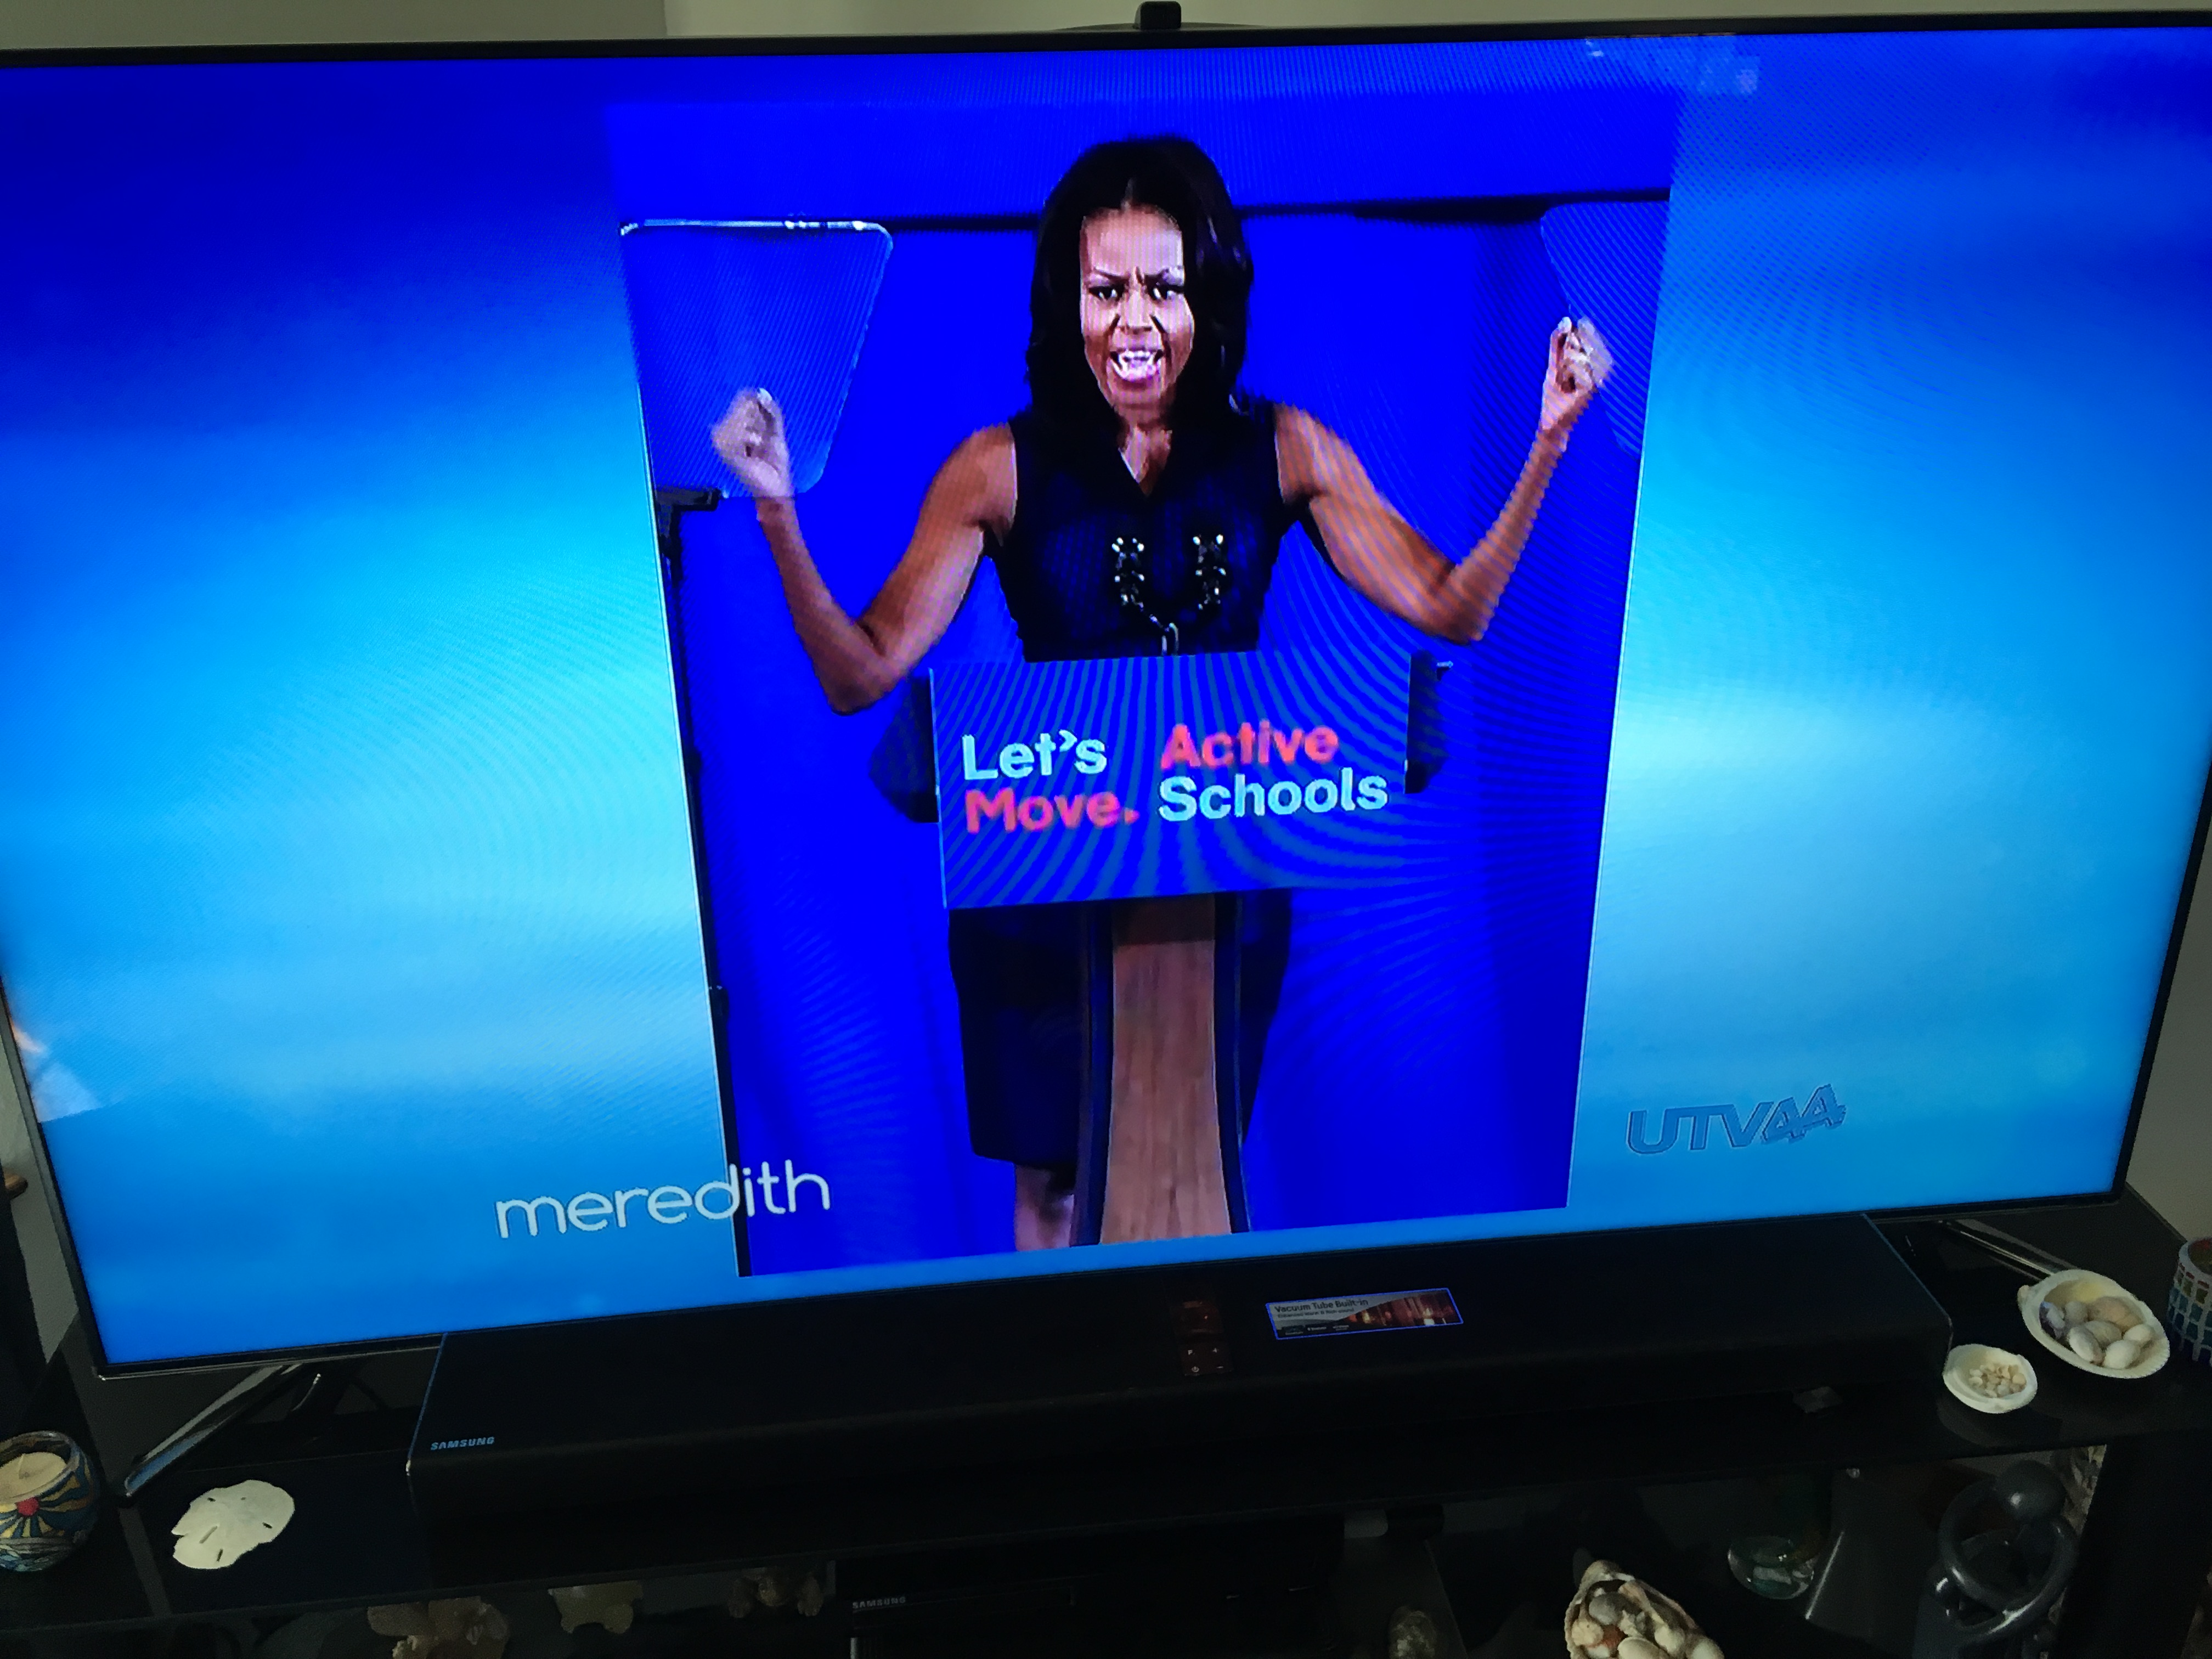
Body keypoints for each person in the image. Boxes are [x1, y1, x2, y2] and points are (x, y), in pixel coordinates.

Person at [712, 136, 1607, 1251]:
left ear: (1206, 298)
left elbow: (1452, 608)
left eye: (1163, 289)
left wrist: (1547, 444)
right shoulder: (996, 468)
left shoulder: (1287, 449)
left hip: (1218, 874)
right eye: (1106, 292)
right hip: (1046, 874)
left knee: (1191, 1167)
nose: (1133, 322)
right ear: (1068, 303)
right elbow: (859, 674)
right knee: (1056, 1182)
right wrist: (776, 509)